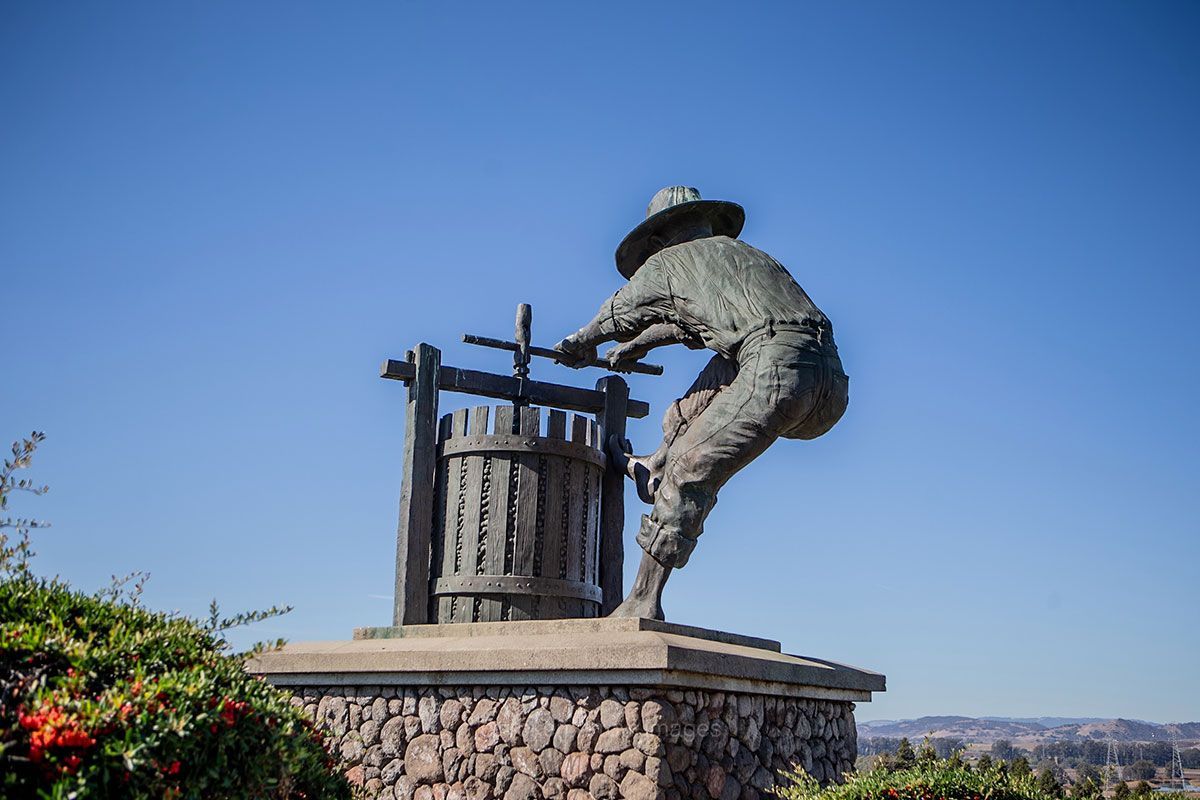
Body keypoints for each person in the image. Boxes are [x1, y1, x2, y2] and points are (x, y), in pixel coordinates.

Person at [554, 186, 850, 620]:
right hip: (829, 381)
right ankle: (652, 468)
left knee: (690, 468)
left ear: (656, 240)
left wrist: (579, 342)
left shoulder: (668, 261)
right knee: (692, 407)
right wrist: (637, 347)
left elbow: (623, 309)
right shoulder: (749, 257)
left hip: (774, 369)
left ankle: (641, 601)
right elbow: (689, 325)